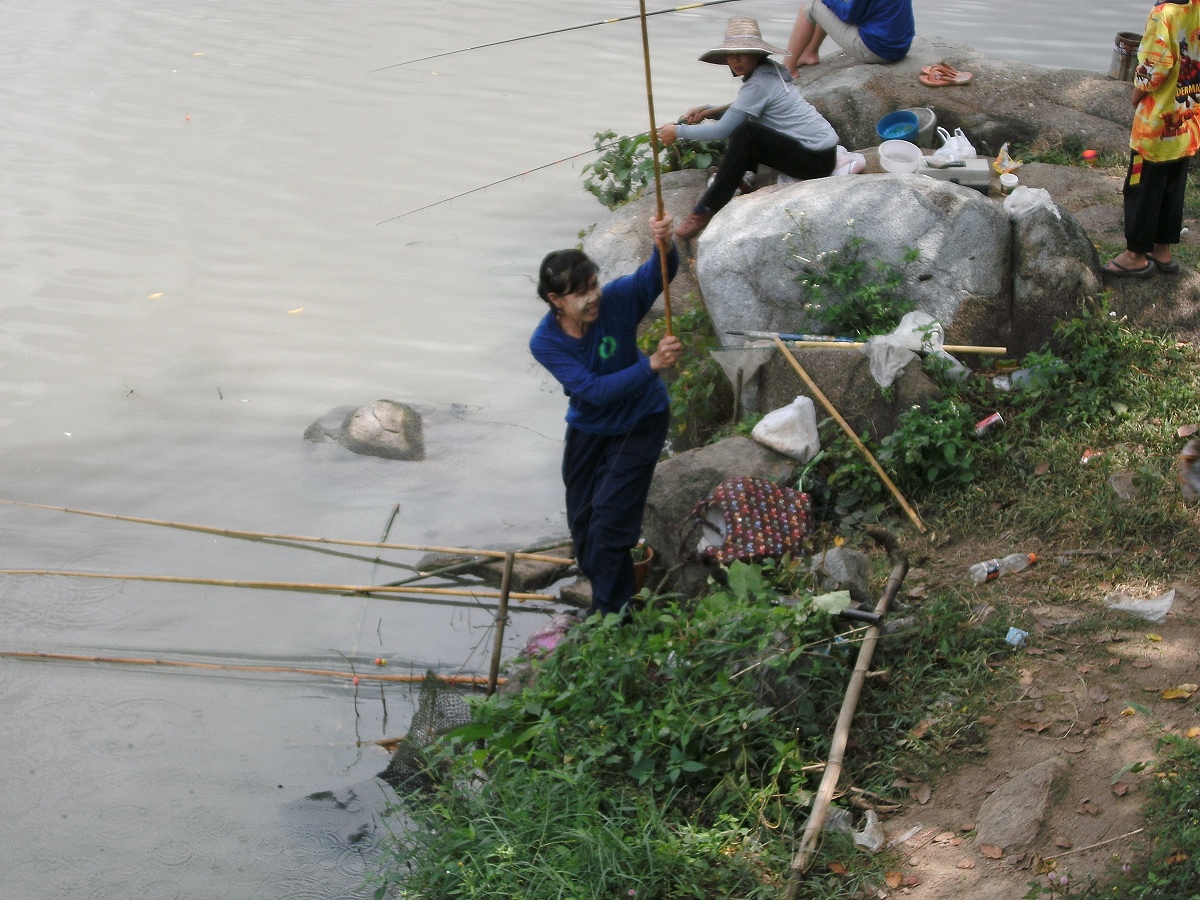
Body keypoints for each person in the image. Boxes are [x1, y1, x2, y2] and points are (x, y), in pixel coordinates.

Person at [529, 214, 682, 618]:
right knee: (583, 528)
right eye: (580, 293)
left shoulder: (615, 301)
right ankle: (607, 599)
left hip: (641, 419)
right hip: (590, 427)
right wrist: (650, 364)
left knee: (609, 527)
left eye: (593, 285)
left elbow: (656, 276)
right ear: (556, 301)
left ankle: (615, 619)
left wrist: (663, 244)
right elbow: (593, 393)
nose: (593, 297)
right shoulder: (545, 342)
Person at [657, 16, 840, 241]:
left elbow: (722, 131)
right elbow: (739, 113)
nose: (736, 60)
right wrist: (708, 110)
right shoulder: (769, 71)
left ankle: (706, 208)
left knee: (747, 133)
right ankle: (740, 178)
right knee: (745, 126)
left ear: (756, 54)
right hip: (822, 153)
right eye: (731, 55)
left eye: (742, 53)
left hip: (817, 161)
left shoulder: (758, 83)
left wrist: (677, 131)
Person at [1104, 0, 1200, 278]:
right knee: (1172, 186)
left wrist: (1136, 96)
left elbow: (1153, 68)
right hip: (1187, 120)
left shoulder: (1162, 15)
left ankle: (1135, 254)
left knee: (1140, 185)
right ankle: (1162, 249)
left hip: (1155, 128)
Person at [784, 0, 915, 74]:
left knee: (809, 6)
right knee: (831, 5)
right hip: (900, 46)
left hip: (876, 51)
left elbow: (849, 15)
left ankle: (787, 69)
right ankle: (810, 53)